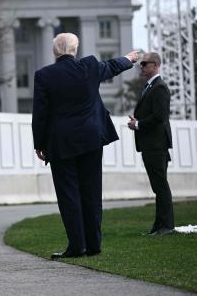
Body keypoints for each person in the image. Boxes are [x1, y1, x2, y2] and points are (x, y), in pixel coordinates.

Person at [32, 33, 138, 259]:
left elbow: (40, 114)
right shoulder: (89, 66)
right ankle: (93, 244)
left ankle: (77, 245)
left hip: (61, 143)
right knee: (92, 191)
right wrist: (129, 59)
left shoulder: (44, 75)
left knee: (69, 194)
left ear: (55, 51)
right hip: (91, 138)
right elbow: (111, 66)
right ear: (75, 49)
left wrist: (39, 144)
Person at [128, 52, 174, 236]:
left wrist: (138, 124)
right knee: (158, 185)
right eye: (141, 64)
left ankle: (166, 226)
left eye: (145, 63)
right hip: (151, 144)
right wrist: (137, 121)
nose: (142, 66)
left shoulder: (159, 87)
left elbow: (160, 116)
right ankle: (159, 225)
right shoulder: (150, 87)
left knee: (160, 185)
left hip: (156, 145)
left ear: (155, 65)